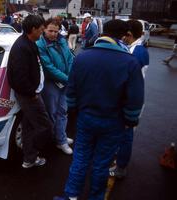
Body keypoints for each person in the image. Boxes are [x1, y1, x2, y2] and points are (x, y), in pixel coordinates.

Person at [54, 19, 144, 200]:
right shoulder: (129, 61)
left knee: (80, 158)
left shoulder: (82, 56)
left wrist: (74, 110)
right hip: (113, 121)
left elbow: (71, 89)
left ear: (103, 33)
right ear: (123, 36)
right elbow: (135, 99)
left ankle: (71, 195)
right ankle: (96, 196)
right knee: (102, 163)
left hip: (86, 117)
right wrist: (130, 120)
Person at [7, 14, 52, 169]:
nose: (43, 32)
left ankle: (29, 158)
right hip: (29, 96)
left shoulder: (29, 42)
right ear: (33, 29)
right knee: (44, 126)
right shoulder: (22, 47)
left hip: (31, 93)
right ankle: (34, 153)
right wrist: (32, 94)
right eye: (41, 29)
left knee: (29, 126)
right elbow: (19, 78)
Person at [109, 19, 149, 179]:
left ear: (130, 34)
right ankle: (119, 160)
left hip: (129, 100)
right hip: (132, 98)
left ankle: (121, 168)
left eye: (124, 34)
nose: (121, 38)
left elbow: (128, 80)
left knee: (126, 135)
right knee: (124, 134)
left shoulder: (136, 53)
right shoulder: (137, 49)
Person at [36, 18, 74, 155]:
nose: (53, 34)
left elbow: (70, 58)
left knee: (63, 111)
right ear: (44, 29)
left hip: (64, 82)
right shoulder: (40, 44)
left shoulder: (62, 40)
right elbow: (48, 67)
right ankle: (54, 140)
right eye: (50, 31)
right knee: (52, 113)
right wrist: (68, 79)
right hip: (50, 83)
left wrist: (69, 76)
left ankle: (61, 138)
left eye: (56, 31)